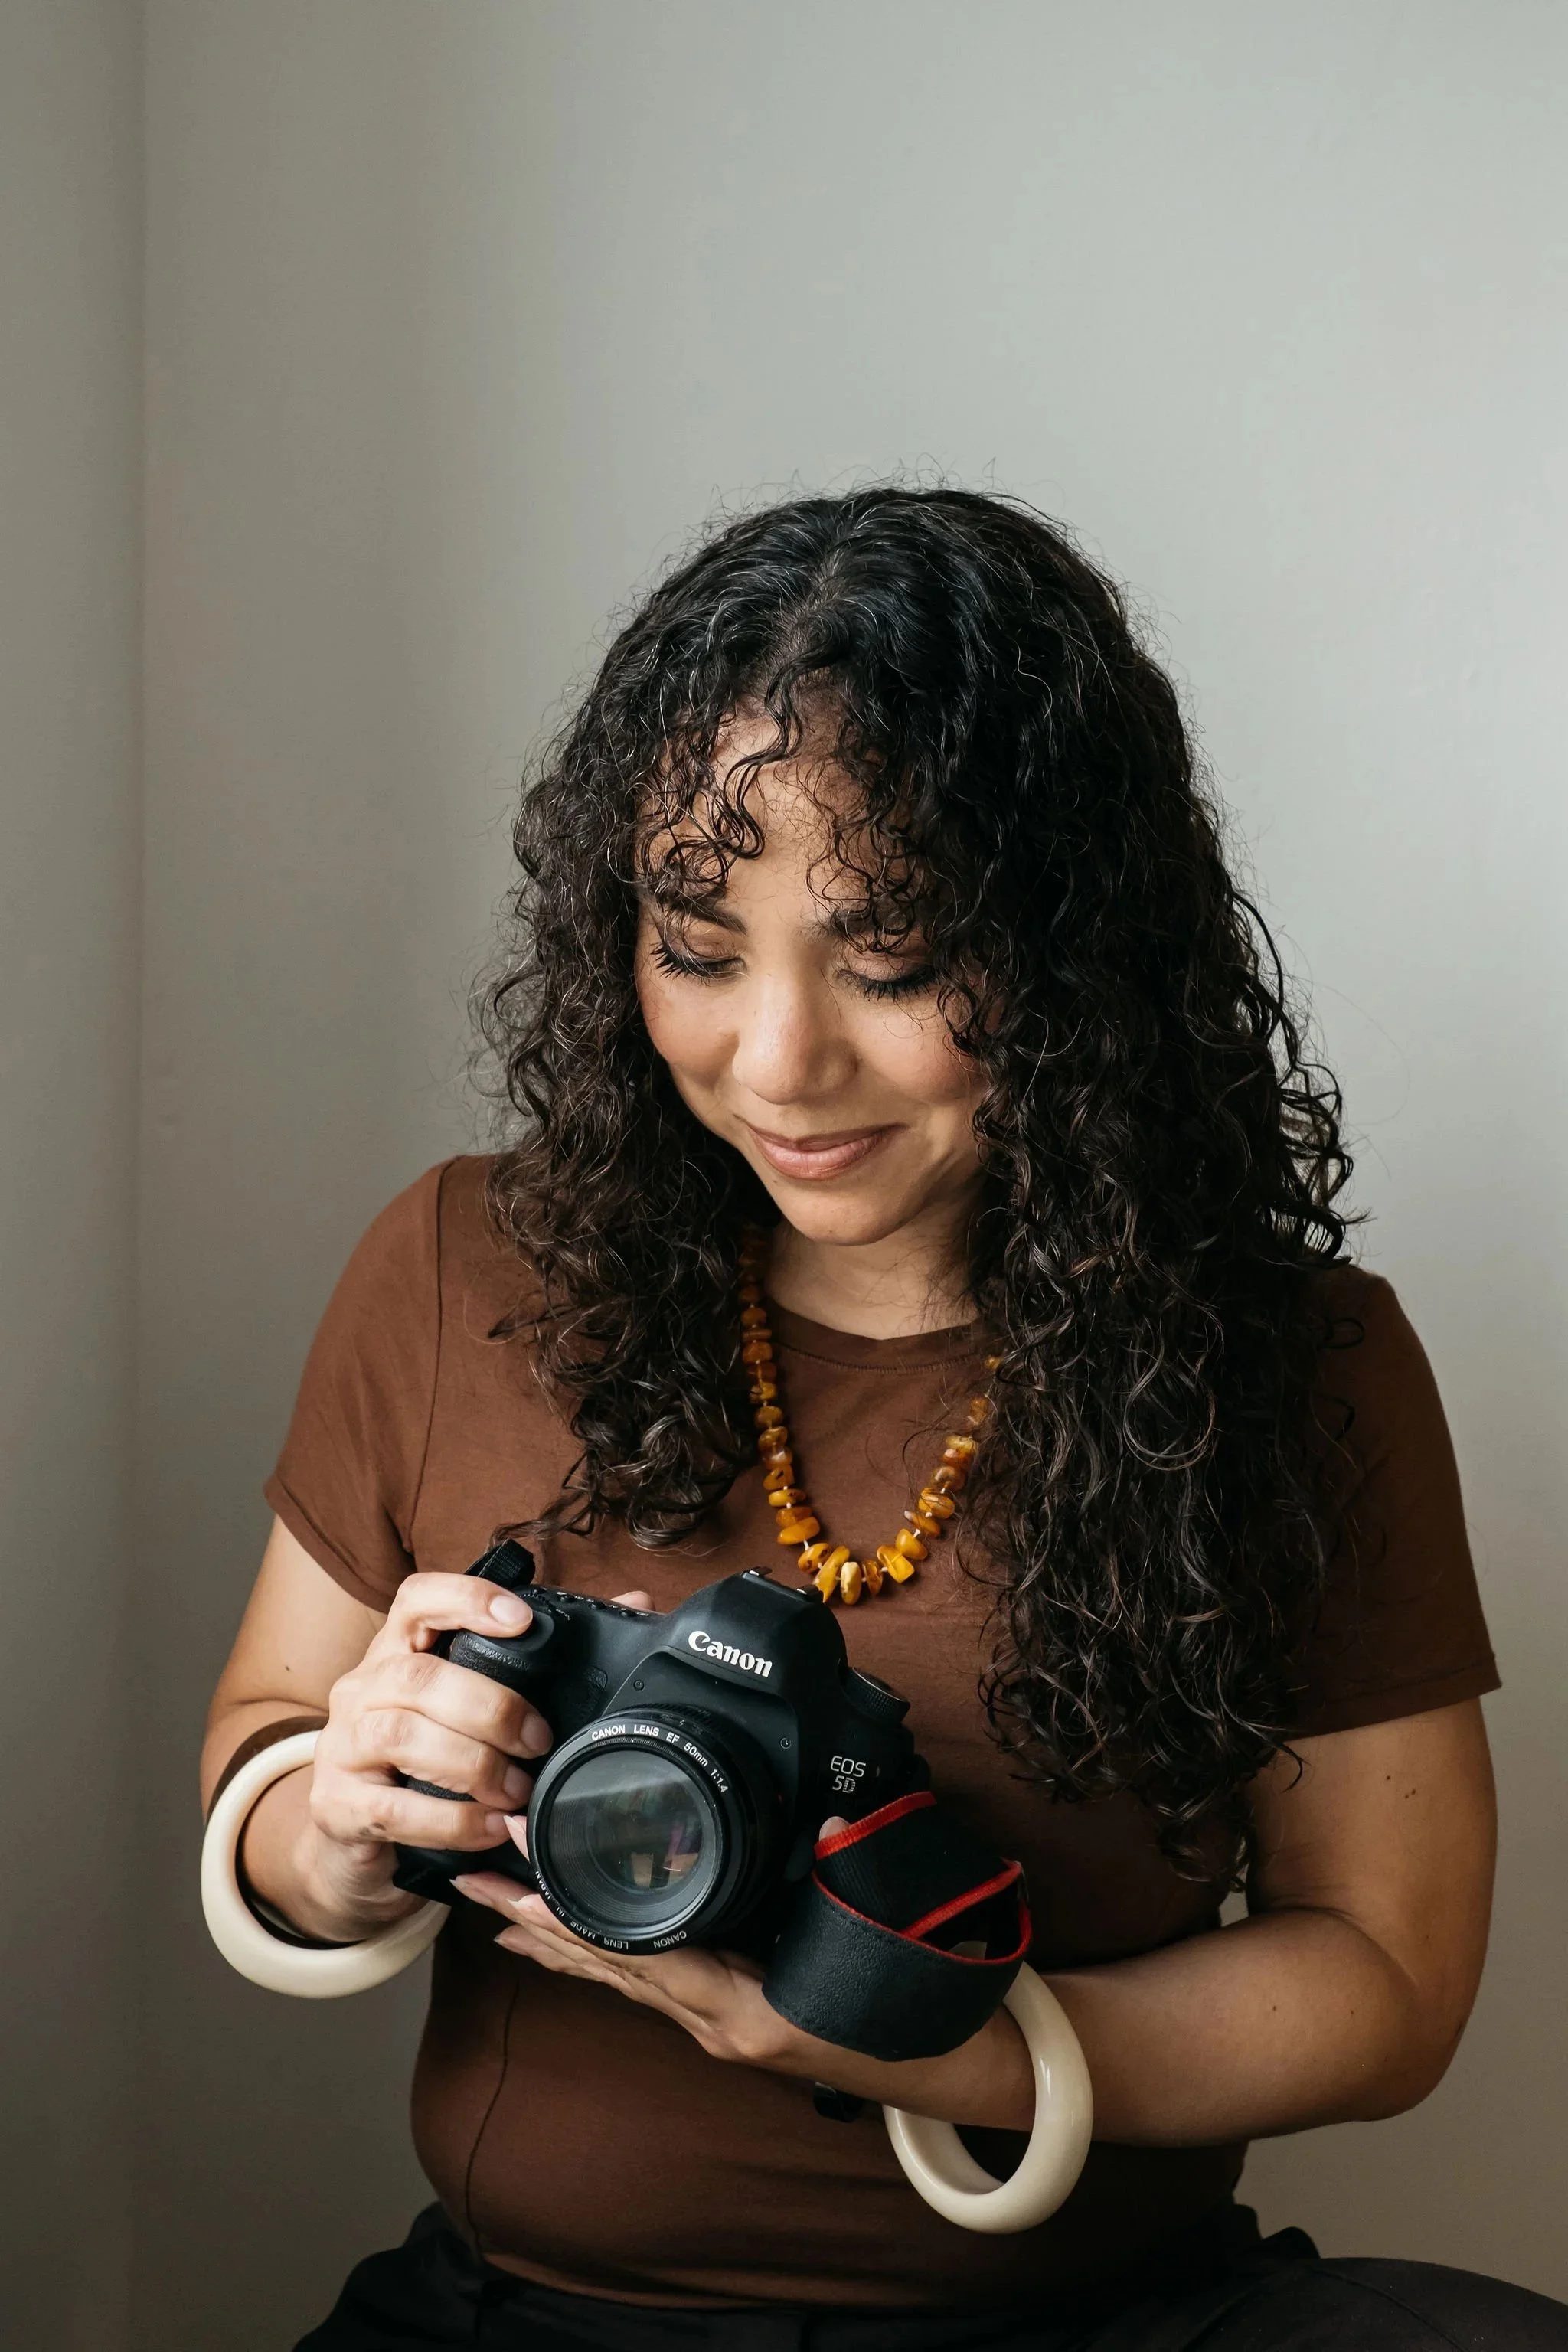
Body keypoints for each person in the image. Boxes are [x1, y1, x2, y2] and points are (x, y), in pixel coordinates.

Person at [203, 488, 1566, 2350]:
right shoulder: (459, 1264)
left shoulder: (1295, 1365)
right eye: (696, 946)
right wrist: (336, 1818)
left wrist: (951, 2051)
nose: (776, 1061)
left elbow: (1389, 1978)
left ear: (1072, 953)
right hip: (536, 2314)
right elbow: (269, 1744)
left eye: (893, 960)